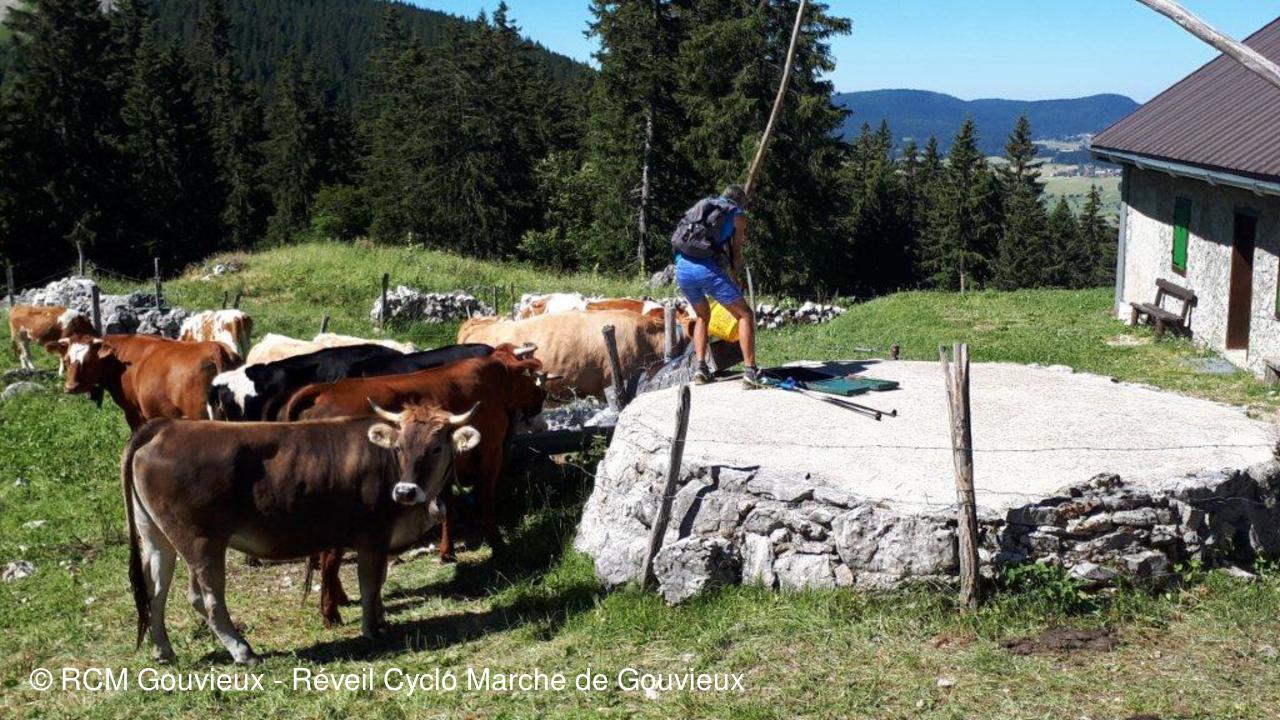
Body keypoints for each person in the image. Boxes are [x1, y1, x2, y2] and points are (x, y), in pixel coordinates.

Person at [672, 184, 760, 387]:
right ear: (740, 202)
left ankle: (700, 370)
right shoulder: (737, 215)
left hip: (682, 269)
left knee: (702, 316)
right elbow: (736, 253)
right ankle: (750, 372)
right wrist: (735, 274)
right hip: (706, 270)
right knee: (745, 315)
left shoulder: (704, 206)